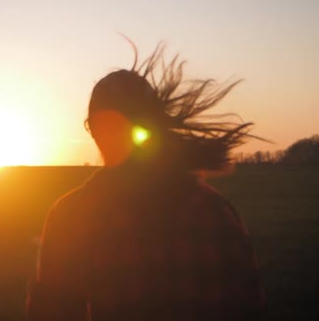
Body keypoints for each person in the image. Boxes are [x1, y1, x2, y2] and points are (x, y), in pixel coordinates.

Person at [27, 43, 266, 321]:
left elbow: (53, 312)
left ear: (93, 130)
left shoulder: (71, 216)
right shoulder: (215, 211)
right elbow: (250, 308)